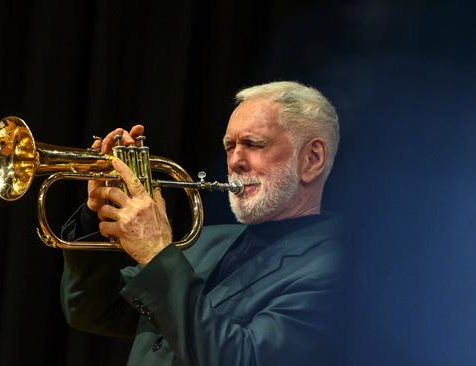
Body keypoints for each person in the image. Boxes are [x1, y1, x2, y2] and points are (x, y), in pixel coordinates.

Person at [60, 81, 343, 365]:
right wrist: (96, 215)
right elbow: (92, 310)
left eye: (253, 144)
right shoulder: (204, 241)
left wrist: (157, 253)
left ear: (311, 159)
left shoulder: (339, 271)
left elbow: (244, 358)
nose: (235, 161)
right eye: (229, 146)